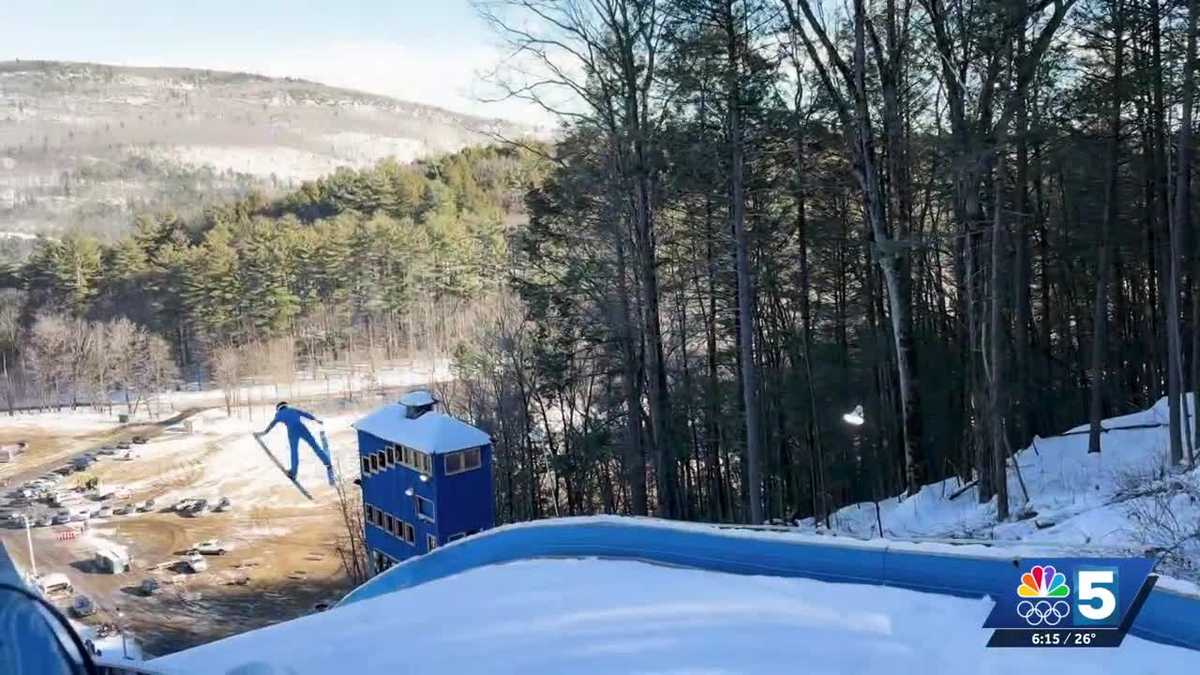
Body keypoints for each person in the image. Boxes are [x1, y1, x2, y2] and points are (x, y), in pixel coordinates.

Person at [260, 402, 333, 484]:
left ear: (278, 408)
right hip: (302, 428)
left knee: (294, 452)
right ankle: (328, 463)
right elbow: (305, 414)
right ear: (286, 406)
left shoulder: (279, 414)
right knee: (315, 446)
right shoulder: (292, 409)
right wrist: (315, 419)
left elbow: (272, 424)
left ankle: (293, 473)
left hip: (292, 431)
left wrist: (265, 432)